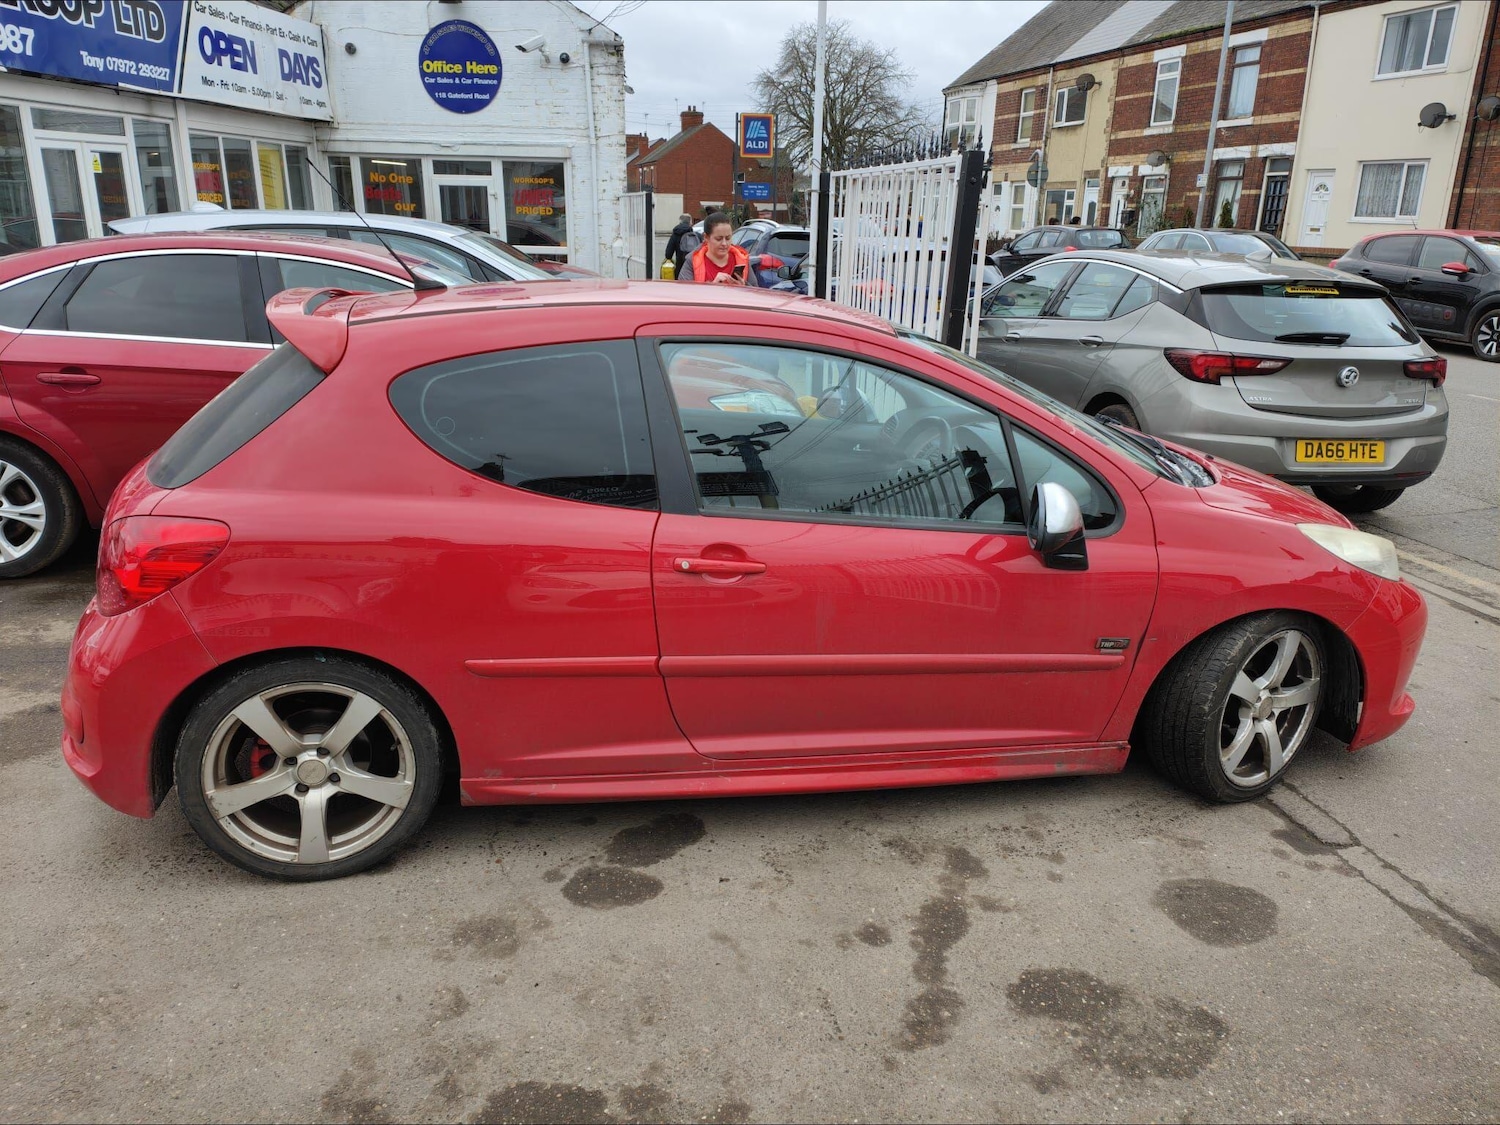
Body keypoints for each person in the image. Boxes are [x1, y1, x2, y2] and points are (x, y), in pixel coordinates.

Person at [679, 212, 751, 284]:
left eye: (728, 238)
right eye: (718, 239)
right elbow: (683, 293)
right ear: (706, 237)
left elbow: (757, 291)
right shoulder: (692, 262)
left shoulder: (742, 259)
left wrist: (743, 287)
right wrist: (712, 287)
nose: (724, 243)